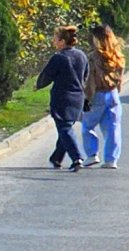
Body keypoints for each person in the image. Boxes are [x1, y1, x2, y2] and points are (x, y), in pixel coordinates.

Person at [36, 25, 90, 172]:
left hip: (62, 98)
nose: (53, 42)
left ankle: (77, 158)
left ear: (61, 41)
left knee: (64, 128)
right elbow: (85, 75)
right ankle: (56, 158)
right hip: (78, 97)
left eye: (55, 39)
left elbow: (46, 76)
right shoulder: (82, 55)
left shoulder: (59, 57)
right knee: (65, 127)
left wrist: (38, 85)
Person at [81, 24, 125, 168]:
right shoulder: (117, 54)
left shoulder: (94, 57)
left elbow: (90, 80)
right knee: (113, 127)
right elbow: (120, 77)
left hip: (98, 93)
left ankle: (92, 154)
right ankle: (111, 159)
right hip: (113, 94)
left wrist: (87, 97)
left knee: (87, 125)